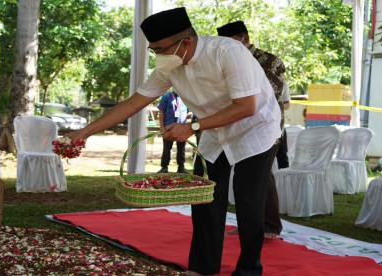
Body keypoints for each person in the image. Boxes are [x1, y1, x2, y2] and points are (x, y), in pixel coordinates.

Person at [67, 7, 281, 275]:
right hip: (214, 132)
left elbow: (246, 106)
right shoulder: (171, 65)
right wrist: (85, 131)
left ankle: (249, 269)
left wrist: (192, 126)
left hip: (256, 128)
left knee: (249, 202)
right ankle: (203, 268)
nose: (157, 55)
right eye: (153, 50)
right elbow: (134, 102)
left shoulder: (228, 51)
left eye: (159, 49)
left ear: (186, 42)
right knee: (204, 199)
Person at [217, 20, 288, 238]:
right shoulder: (225, 59)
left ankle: (270, 226)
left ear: (245, 39)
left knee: (260, 178)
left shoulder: (270, 61)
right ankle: (253, 225)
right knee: (248, 180)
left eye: (231, 43)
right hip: (236, 126)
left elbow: (266, 97)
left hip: (266, 128)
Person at [157, 90, 189, 173]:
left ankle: (181, 167)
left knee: (181, 148)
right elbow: (161, 113)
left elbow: (188, 111)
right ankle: (164, 167)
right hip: (168, 128)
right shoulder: (166, 96)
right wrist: (162, 128)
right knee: (167, 148)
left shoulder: (186, 97)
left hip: (181, 128)